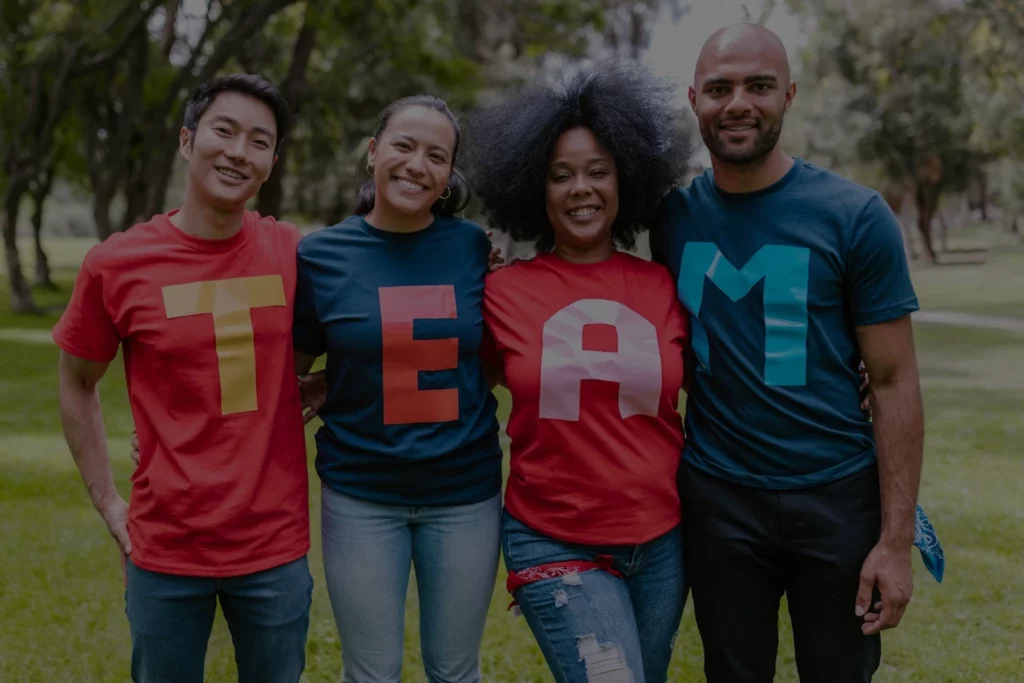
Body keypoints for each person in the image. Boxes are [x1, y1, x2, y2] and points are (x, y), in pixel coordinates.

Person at [649, 23, 928, 682]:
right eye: (719, 88)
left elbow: (892, 380)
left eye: (759, 85)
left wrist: (895, 541)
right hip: (718, 496)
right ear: (694, 99)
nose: (738, 102)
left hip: (836, 497)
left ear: (790, 95)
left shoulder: (855, 216)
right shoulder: (671, 219)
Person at [54, 74, 313, 682]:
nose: (238, 151)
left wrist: (326, 385)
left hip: (272, 545)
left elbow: (373, 320)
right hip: (165, 546)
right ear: (186, 140)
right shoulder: (116, 265)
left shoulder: (293, 253)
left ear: (270, 163)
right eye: (224, 131)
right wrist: (108, 502)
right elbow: (77, 381)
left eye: (258, 141)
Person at [463, 62, 694, 683]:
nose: (580, 189)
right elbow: (441, 363)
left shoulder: (666, 286)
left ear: (626, 179)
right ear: (534, 189)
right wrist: (335, 379)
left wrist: (848, 369)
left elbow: (732, 370)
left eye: (598, 172)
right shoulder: (500, 293)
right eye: (560, 176)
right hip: (553, 535)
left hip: (664, 539)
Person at [291, 95, 502, 683]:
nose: (417, 164)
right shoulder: (321, 256)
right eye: (404, 146)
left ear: (449, 176)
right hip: (361, 495)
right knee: (371, 673)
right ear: (373, 152)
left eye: (437, 155)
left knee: (456, 670)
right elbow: (285, 373)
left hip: (465, 495)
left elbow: (492, 358)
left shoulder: (473, 248)